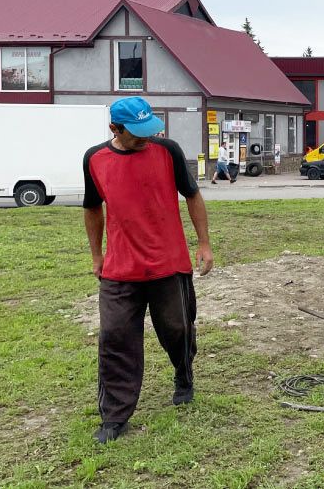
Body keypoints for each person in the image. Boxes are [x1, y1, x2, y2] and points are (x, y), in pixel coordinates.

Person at [83, 96, 214, 444]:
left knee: (178, 329)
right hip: (120, 268)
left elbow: (193, 194)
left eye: (149, 129)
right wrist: (97, 256)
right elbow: (92, 208)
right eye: (137, 132)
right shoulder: (95, 159)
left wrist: (203, 243)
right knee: (115, 338)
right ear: (115, 128)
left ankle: (183, 374)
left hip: (169, 264)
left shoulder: (167, 151)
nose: (146, 137)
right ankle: (114, 416)